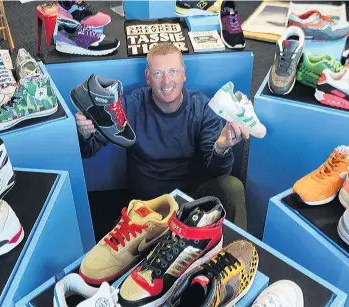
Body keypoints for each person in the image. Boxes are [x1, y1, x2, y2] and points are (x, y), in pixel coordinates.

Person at [76, 43, 249, 229]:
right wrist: (85, 133)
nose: (167, 81)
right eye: (158, 73)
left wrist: (221, 148)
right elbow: (89, 149)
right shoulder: (130, 106)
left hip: (193, 200)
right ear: (148, 77)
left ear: (184, 74)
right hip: (148, 206)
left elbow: (218, 172)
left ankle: (238, 251)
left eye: (173, 71)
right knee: (116, 242)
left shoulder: (203, 108)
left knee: (233, 187)